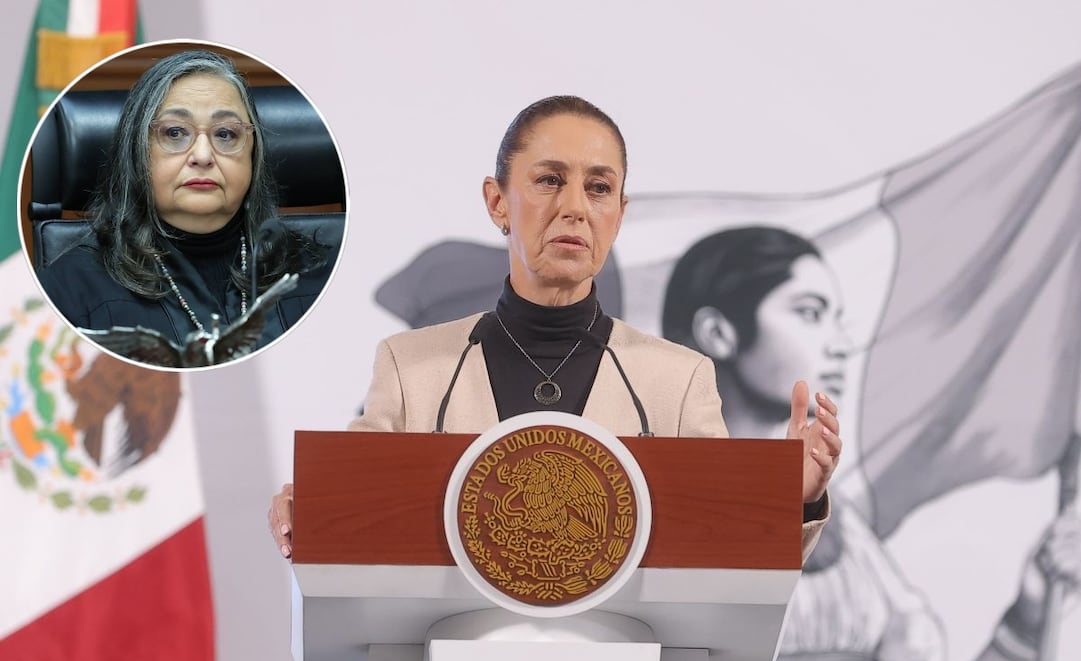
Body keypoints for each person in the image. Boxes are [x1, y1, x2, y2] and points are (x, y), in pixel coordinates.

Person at [268, 95, 842, 563]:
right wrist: (310, 508)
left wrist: (794, 502)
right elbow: (348, 513)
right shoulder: (412, 368)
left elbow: (727, 552)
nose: (574, 207)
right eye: (548, 180)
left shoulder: (678, 379)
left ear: (619, 211)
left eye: (598, 187)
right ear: (497, 202)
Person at [663, 226, 1079, 661]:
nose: (841, 344)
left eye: (837, 318)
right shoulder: (652, 504)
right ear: (718, 332)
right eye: (810, 313)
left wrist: (1027, 614)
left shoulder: (845, 527)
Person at [36, 49, 335, 366]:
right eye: (175, 133)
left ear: (254, 154)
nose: (203, 155)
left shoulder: (322, 273)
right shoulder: (67, 290)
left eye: (226, 134)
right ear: (137, 152)